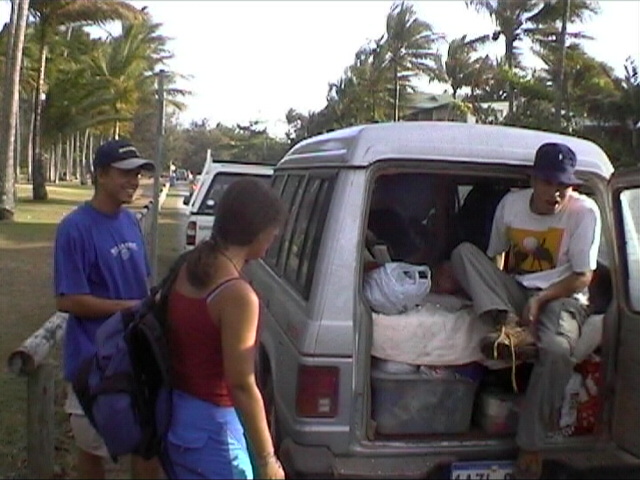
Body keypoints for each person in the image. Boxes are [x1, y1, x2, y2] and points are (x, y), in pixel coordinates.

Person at [449, 142, 601, 479]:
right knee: (463, 254)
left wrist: (541, 299)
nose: (555, 193)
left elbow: (583, 276)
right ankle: (508, 325)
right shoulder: (511, 204)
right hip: (517, 289)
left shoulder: (584, 212)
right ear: (532, 180)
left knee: (557, 351)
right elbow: (496, 256)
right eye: (548, 182)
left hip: (562, 296)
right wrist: (495, 295)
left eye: (563, 185)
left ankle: (531, 444)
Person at [164, 178, 286, 480]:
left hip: (178, 418)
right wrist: (268, 459)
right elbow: (241, 384)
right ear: (258, 231)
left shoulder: (189, 266)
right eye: (273, 231)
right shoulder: (237, 295)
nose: (274, 238)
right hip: (215, 431)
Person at [54, 138, 161, 479]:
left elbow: (141, 281)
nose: (134, 181)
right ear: (100, 174)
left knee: (147, 443)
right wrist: (131, 308)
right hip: (94, 361)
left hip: (135, 354)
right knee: (92, 448)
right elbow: (68, 299)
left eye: (138, 174)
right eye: (125, 173)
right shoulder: (75, 229)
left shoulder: (130, 222)